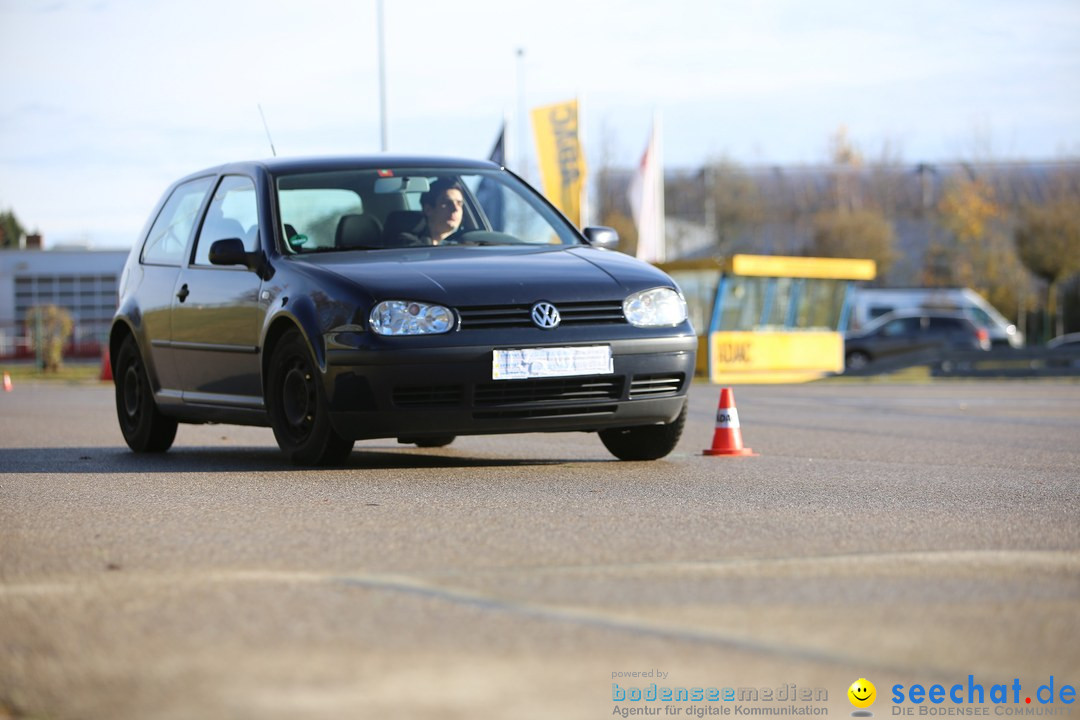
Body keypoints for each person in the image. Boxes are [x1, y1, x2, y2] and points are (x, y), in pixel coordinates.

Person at [397, 178, 465, 245]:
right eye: (447, 203)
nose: (455, 209)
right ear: (428, 209)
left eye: (459, 203)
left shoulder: (462, 247)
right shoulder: (409, 245)